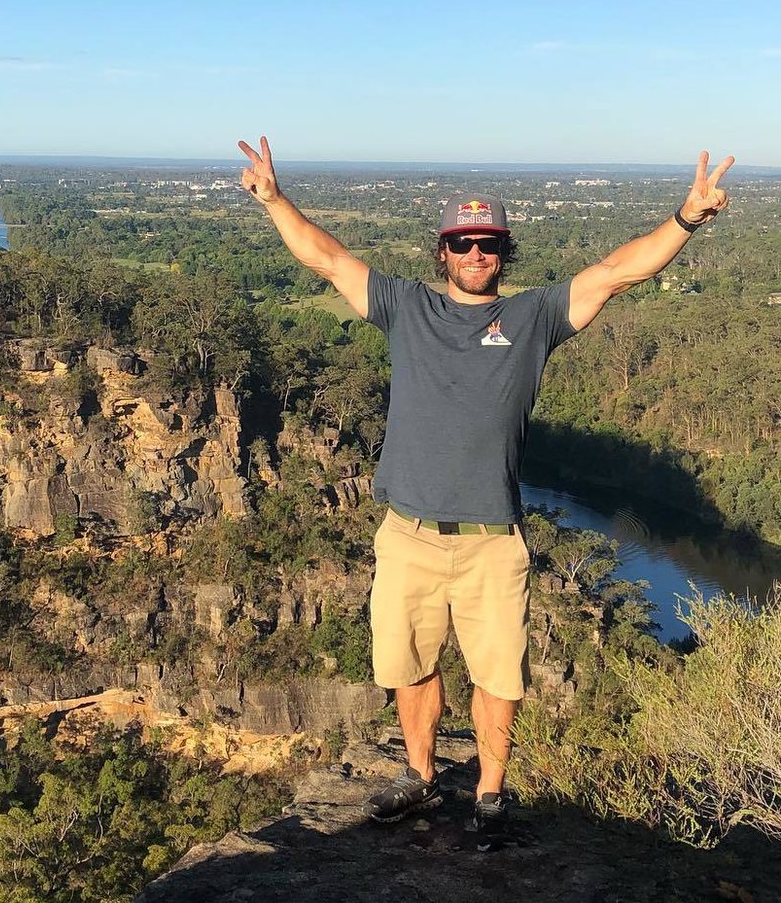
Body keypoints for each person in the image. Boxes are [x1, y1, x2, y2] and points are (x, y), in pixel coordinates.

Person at [237, 135, 733, 849]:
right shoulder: (406, 308)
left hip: (492, 542)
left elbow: (615, 273)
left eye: (489, 243)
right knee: (410, 666)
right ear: (441, 250)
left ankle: (491, 796)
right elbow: (328, 257)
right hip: (407, 533)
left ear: (505, 251)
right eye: (463, 242)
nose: (476, 254)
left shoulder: (532, 320)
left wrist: (685, 218)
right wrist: (275, 201)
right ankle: (418, 774)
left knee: (498, 679)